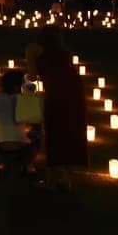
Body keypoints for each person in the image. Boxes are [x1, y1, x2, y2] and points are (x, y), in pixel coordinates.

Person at [33, 25, 87, 191]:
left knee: (54, 136)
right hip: (74, 97)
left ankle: (51, 180)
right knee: (70, 133)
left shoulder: (43, 57)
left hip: (57, 98)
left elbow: (37, 76)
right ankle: (67, 179)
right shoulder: (65, 54)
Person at [0, 70, 40, 175]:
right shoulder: (23, 100)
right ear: (17, 87)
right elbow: (37, 124)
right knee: (39, 134)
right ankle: (27, 164)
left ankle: (3, 162)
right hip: (20, 150)